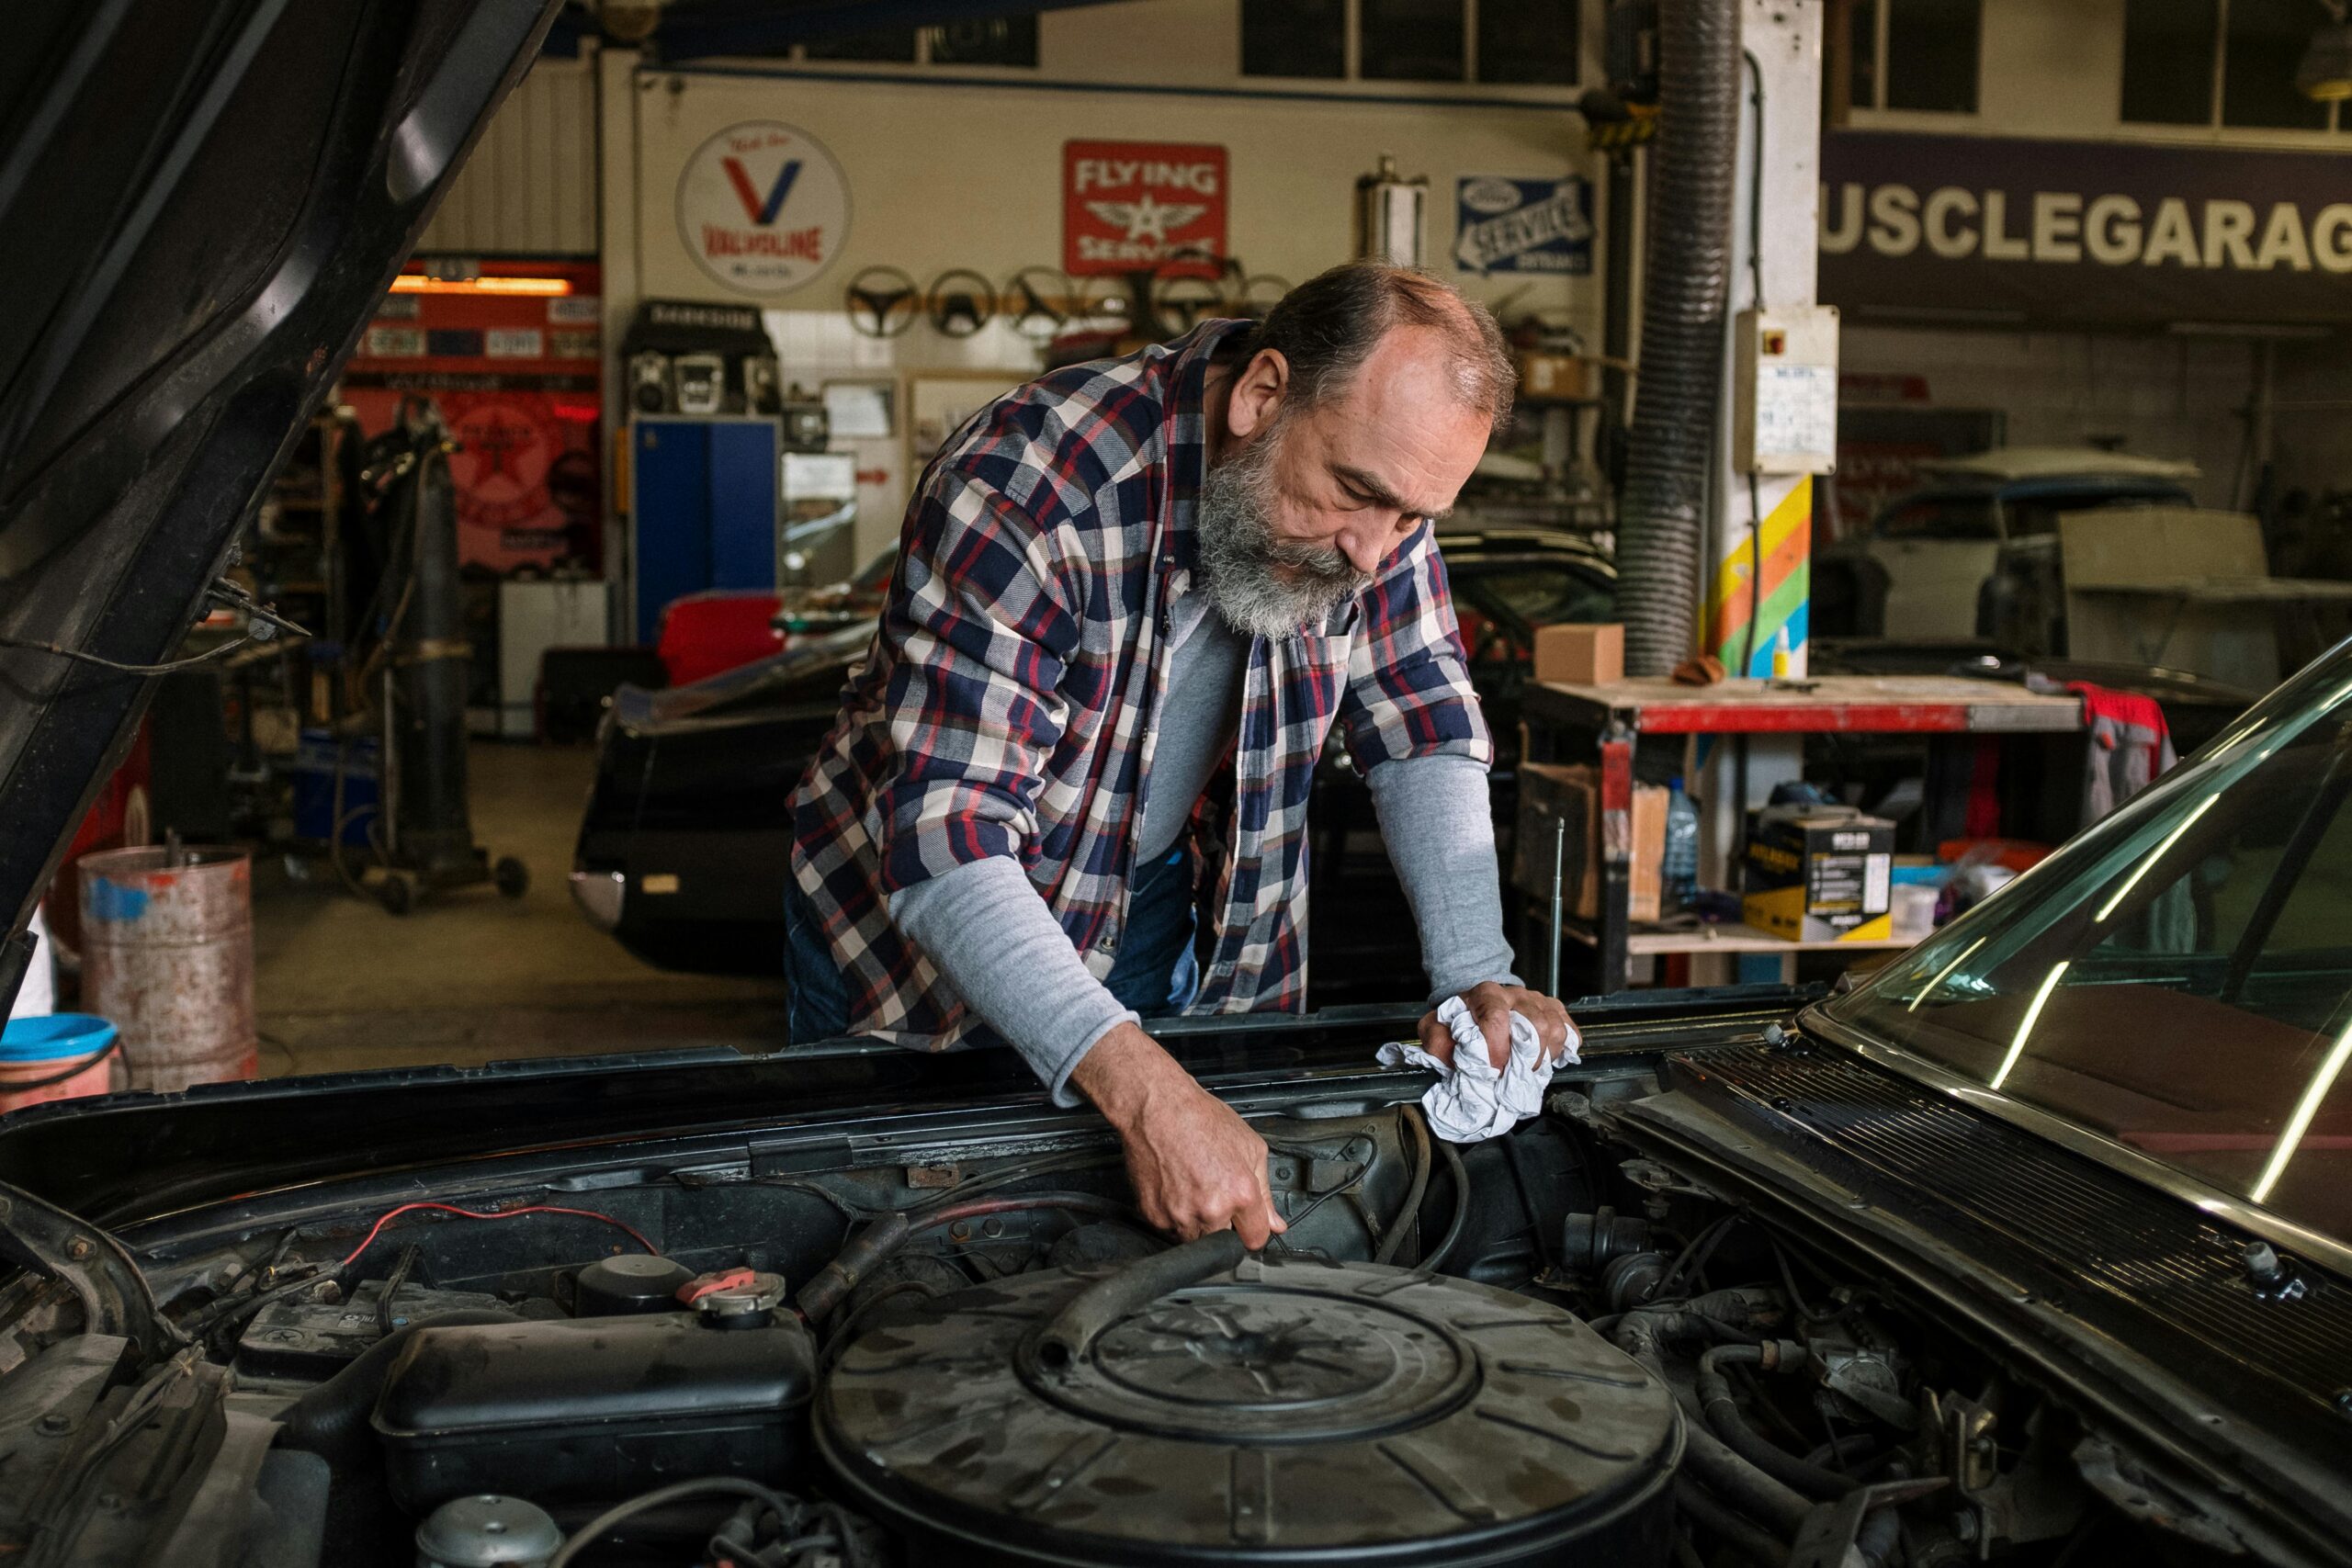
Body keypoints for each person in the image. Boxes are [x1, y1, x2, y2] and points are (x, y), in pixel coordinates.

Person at [786, 261, 1574, 1249]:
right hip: (915, 942)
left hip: (1154, 895)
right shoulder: (1032, 483)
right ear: (1260, 396)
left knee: (1135, 1236)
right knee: (914, 1242)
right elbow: (948, 832)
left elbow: (1422, 718)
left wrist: (1474, 972)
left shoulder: (1376, 501)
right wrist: (1146, 1092)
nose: (1376, 553)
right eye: (1355, 495)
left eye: (1412, 518)